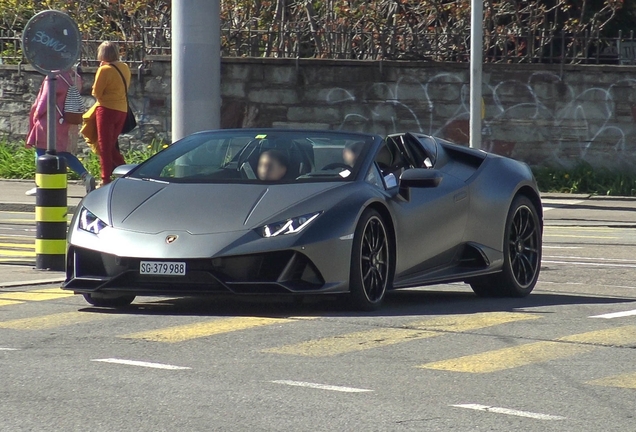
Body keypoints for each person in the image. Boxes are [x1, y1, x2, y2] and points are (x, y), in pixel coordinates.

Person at [25, 68, 95, 195]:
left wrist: (36, 114)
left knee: (41, 150)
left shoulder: (53, 76)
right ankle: (85, 176)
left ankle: (42, 184)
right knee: (63, 152)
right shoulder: (74, 76)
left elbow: (44, 100)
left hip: (48, 120)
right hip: (65, 119)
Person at [91, 41, 131, 186]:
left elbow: (96, 92)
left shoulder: (104, 70)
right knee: (111, 145)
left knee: (104, 146)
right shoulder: (124, 67)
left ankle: (106, 178)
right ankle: (126, 172)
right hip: (122, 109)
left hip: (106, 109)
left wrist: (99, 71)